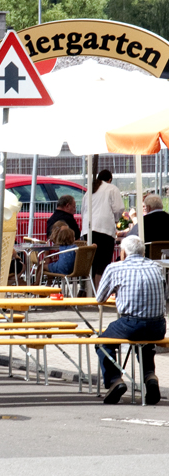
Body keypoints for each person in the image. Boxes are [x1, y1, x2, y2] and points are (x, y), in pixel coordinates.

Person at [95, 236, 165, 405]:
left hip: (132, 323)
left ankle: (114, 380)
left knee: (103, 342)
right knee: (145, 343)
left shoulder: (115, 268)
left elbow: (99, 298)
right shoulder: (157, 267)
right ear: (143, 252)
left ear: (123, 252)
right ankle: (150, 376)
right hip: (159, 325)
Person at [81, 169, 124, 289]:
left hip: (87, 230)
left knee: (92, 263)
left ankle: (91, 291)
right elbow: (118, 209)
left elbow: (83, 210)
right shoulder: (112, 188)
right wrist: (115, 220)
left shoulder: (89, 192)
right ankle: (100, 292)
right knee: (103, 263)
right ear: (110, 179)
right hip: (104, 229)